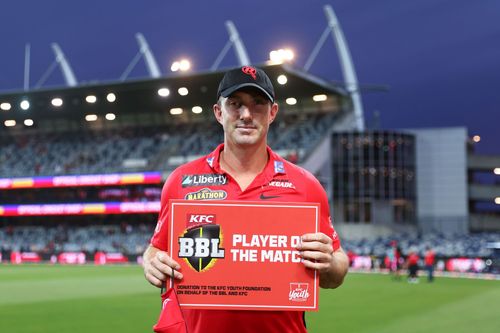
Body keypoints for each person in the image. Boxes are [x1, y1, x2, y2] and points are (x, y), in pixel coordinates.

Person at [143, 66, 349, 333]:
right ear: (219, 112)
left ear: (273, 112)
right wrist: (151, 261)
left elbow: (338, 265)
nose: (246, 115)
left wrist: (330, 263)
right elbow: (157, 248)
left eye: (258, 104)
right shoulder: (181, 181)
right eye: (235, 104)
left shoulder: (305, 185)